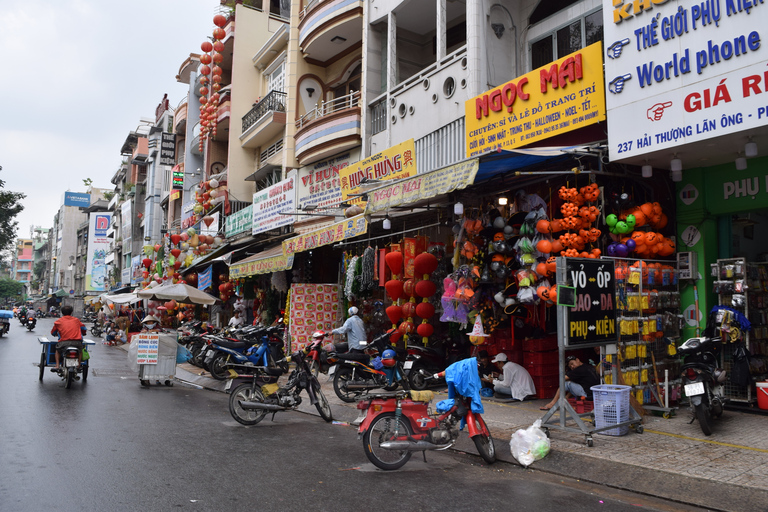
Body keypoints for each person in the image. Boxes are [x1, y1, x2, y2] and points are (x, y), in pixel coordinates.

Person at [50, 305, 87, 372]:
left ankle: (57, 365)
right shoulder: (76, 320)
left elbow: (53, 332)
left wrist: (55, 333)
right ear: (71, 312)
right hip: (77, 342)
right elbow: (84, 328)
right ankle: (78, 365)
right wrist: (83, 333)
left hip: (63, 342)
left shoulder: (58, 321)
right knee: (80, 351)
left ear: (62, 312)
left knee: (57, 350)